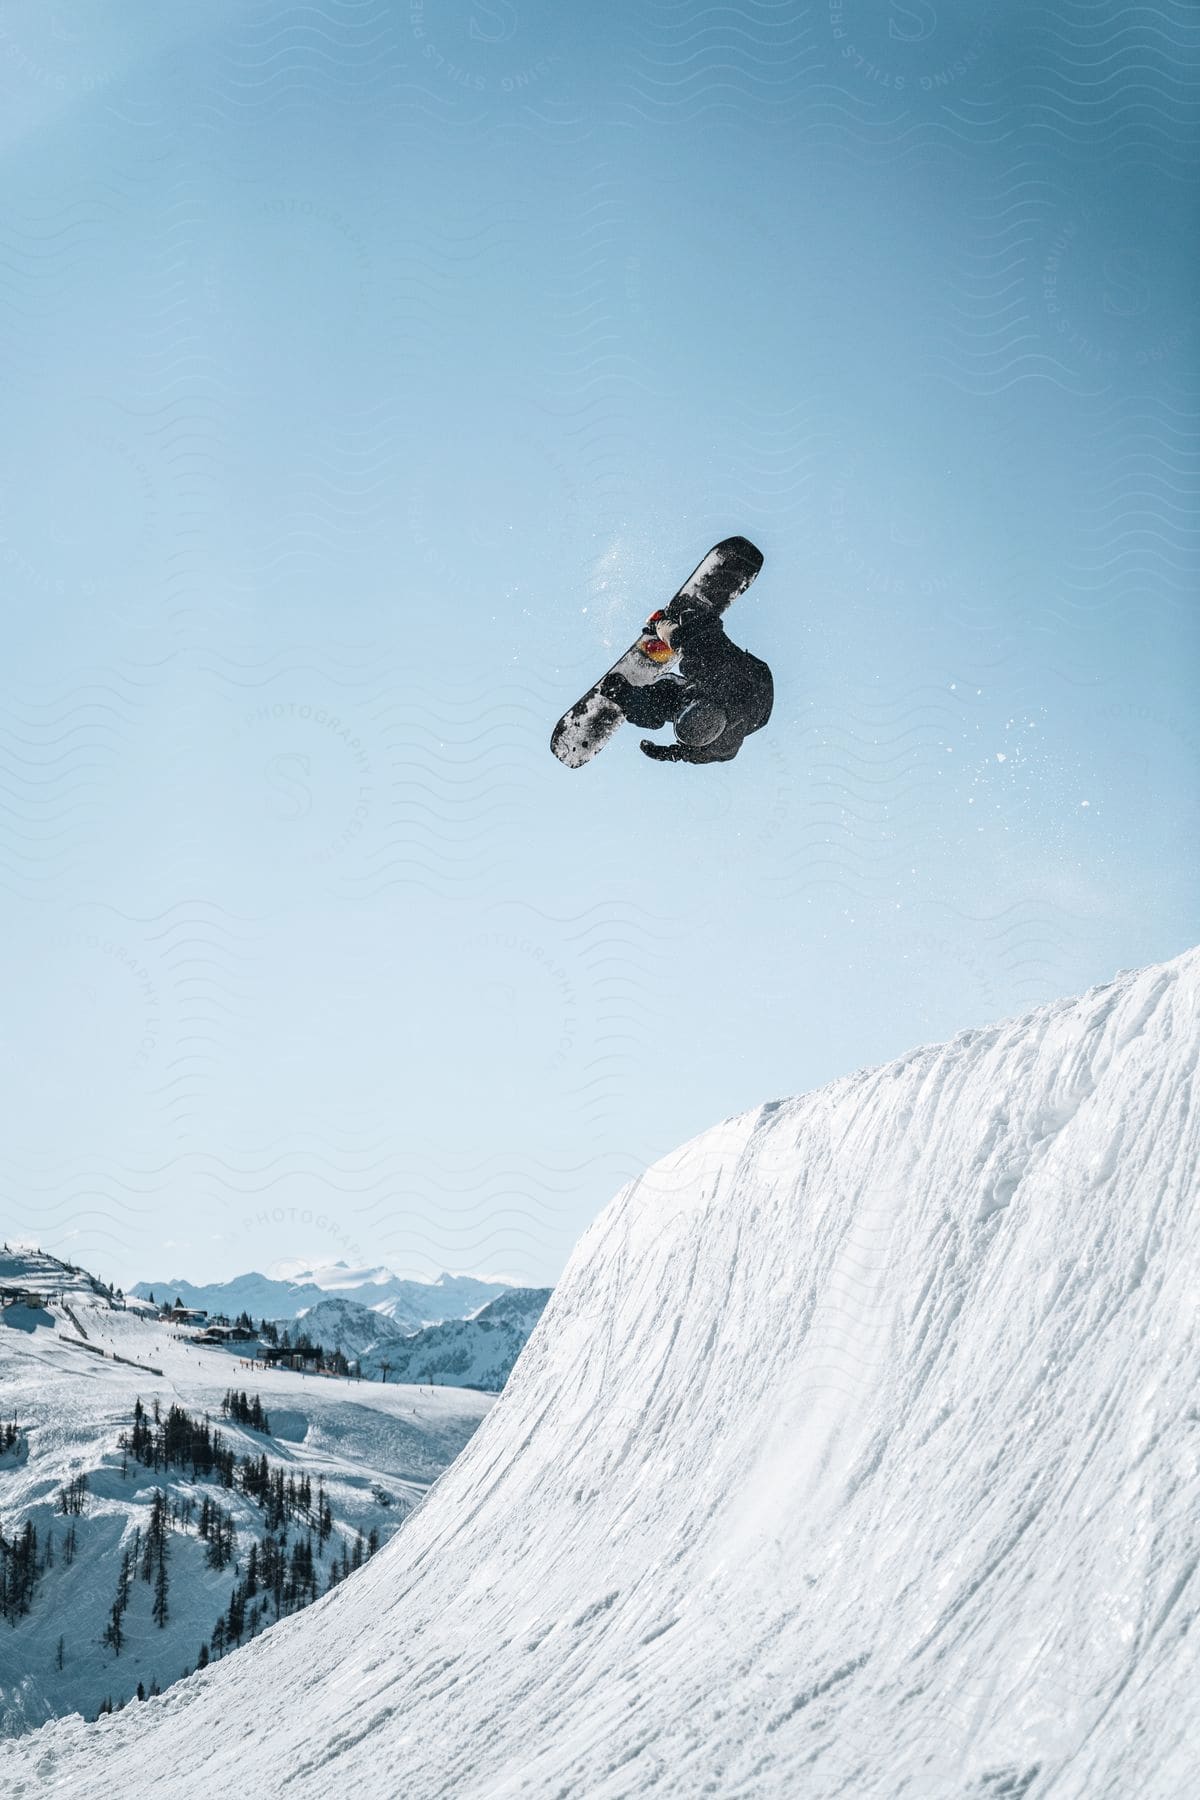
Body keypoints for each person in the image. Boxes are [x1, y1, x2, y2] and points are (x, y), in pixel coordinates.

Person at [602, 596, 773, 764]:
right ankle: (687, 614)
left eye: (681, 712)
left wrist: (669, 754)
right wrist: (661, 624)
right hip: (753, 681)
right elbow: (696, 639)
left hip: (725, 701)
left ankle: (623, 694)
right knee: (699, 644)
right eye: (687, 705)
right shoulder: (716, 673)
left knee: (660, 705)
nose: (682, 705)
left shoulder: (719, 747)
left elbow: (695, 754)